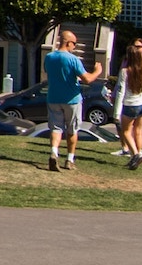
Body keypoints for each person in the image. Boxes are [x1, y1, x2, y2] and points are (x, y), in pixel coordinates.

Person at [44, 29, 104, 172]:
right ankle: (70, 159)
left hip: (53, 98)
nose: (74, 47)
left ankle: (54, 152)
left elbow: (52, 73)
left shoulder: (49, 57)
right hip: (71, 99)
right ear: (68, 42)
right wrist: (97, 71)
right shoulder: (72, 59)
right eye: (74, 44)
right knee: (72, 130)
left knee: (56, 128)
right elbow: (88, 79)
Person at [113, 38, 142, 170]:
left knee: (126, 131)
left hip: (131, 104)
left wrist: (116, 112)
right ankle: (138, 152)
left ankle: (136, 154)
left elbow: (121, 92)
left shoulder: (125, 72)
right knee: (138, 129)